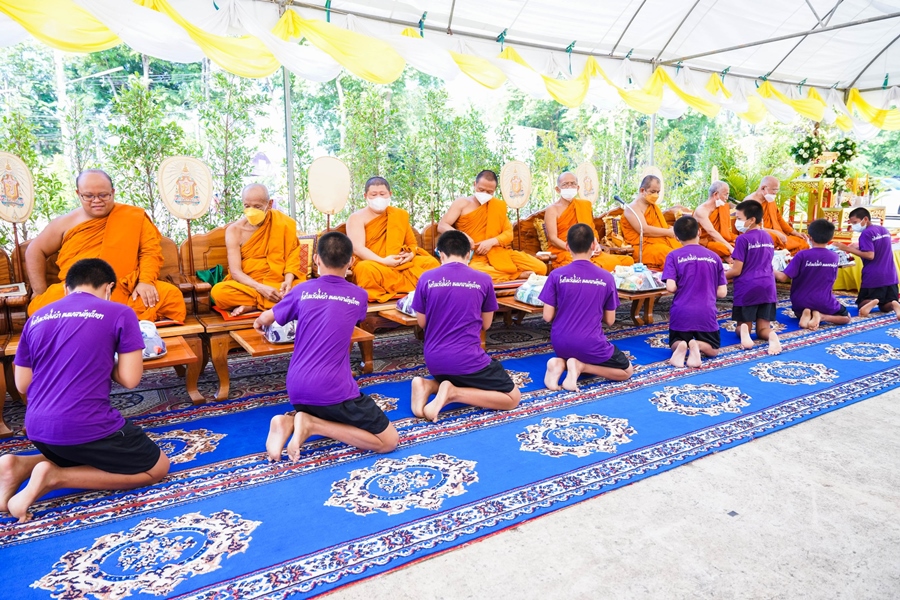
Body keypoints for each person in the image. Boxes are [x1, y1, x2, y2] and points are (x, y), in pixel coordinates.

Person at [1, 258, 170, 522]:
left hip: (38, 430)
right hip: (85, 427)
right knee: (157, 468)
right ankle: (55, 477)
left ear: (66, 289)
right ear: (109, 287)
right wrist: (105, 357)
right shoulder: (120, 312)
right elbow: (130, 379)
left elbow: (22, 384)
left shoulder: (36, 318)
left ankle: (18, 466)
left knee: (81, 454)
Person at [258, 231, 398, 461]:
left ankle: (288, 422)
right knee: (388, 442)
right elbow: (350, 316)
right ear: (351, 261)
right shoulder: (359, 296)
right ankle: (311, 424)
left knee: (331, 412)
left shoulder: (302, 290)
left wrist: (258, 323)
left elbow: (266, 318)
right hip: (333, 389)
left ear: (316, 259)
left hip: (296, 388)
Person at [26, 170, 186, 322]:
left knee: (171, 296)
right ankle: (123, 320)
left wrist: (145, 282)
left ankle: (105, 322)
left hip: (124, 288)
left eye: (103, 195)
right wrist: (39, 291)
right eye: (88, 196)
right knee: (40, 308)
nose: (96, 201)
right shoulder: (64, 223)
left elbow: (149, 252)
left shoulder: (134, 216)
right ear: (78, 194)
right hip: (77, 291)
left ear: (113, 192)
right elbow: (34, 250)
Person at [410, 231, 521, 422]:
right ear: (469, 253)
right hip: (468, 360)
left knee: (463, 376)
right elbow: (486, 324)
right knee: (512, 398)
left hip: (434, 361)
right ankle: (453, 393)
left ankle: (428, 385)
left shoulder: (426, 278)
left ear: (440, 254)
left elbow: (422, 323)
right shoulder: (483, 279)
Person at [540, 223, 634, 390]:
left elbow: (547, 317)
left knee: (574, 351)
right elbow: (610, 321)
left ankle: (560, 363)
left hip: (560, 343)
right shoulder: (606, 277)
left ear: (567, 246)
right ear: (593, 245)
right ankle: (581, 366)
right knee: (626, 371)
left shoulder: (555, 275)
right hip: (590, 344)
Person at [211, 184, 304, 316]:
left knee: (305, 290)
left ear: (269, 204)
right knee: (219, 293)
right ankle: (276, 302)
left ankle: (253, 305)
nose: (251, 211)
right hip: (249, 285)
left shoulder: (283, 223)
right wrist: (261, 288)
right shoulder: (234, 231)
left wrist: (288, 282)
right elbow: (236, 272)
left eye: (257, 207)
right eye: (247, 206)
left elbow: (292, 258)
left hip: (279, 283)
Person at [438, 170, 547, 282]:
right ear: (474, 184)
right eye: (481, 190)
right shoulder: (462, 203)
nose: (484, 194)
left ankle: (505, 275)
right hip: (474, 255)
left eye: (489, 192)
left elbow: (508, 234)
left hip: (498, 252)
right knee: (474, 272)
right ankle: (516, 275)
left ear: (494, 190)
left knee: (541, 268)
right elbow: (442, 225)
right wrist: (463, 236)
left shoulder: (498, 206)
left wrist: (491, 242)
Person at [346, 177, 439, 303]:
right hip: (374, 263)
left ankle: (408, 291)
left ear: (390, 194)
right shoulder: (356, 218)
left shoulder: (400, 215)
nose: (378, 198)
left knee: (430, 263)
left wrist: (410, 254)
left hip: (399, 262)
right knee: (364, 269)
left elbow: (412, 243)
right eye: (373, 194)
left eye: (382, 194)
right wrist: (384, 261)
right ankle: (411, 290)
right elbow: (358, 248)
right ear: (365, 196)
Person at [663, 216, 728, 368]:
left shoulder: (673, 256)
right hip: (706, 312)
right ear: (699, 232)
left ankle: (682, 345)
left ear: (676, 237)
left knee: (674, 343)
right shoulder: (714, 257)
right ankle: (697, 345)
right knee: (713, 349)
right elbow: (722, 293)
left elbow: (670, 287)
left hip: (681, 312)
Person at [544, 171, 633, 272]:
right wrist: (574, 249)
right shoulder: (552, 210)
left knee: (628, 261)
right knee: (582, 267)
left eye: (573, 184)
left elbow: (590, 231)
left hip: (587, 250)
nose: (569, 187)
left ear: (578, 188)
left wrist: (596, 245)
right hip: (565, 251)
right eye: (565, 184)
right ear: (557, 189)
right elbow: (553, 239)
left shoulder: (584, 205)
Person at [726, 200, 781, 354]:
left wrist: (719, 276)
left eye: (739, 218)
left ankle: (744, 330)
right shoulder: (768, 237)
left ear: (751, 220)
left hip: (748, 287)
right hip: (768, 286)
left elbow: (736, 270)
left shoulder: (743, 239)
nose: (736, 222)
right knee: (763, 328)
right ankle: (772, 336)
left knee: (743, 325)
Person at [775, 219, 852, 329]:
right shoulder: (834, 257)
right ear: (830, 238)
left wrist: (768, 268)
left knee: (800, 311)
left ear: (810, 237)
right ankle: (822, 316)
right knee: (846, 318)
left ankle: (806, 314)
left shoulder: (802, 255)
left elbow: (783, 278)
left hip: (800, 302)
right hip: (824, 301)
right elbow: (832, 280)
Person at [836, 207, 900, 319]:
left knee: (861, 303)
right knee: (885, 306)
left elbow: (870, 255)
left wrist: (846, 248)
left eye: (855, 222)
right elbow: (878, 247)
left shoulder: (866, 233)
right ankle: (895, 304)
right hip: (890, 274)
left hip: (874, 275)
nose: (854, 226)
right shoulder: (883, 230)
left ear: (865, 219)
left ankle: (872, 301)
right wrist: (858, 247)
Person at [620, 175, 682, 269]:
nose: (656, 195)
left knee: (683, 250)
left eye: (658, 192)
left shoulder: (652, 206)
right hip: (641, 247)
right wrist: (668, 232)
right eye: (653, 192)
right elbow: (644, 230)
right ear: (642, 190)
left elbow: (660, 225)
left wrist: (671, 229)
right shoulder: (632, 208)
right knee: (668, 254)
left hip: (660, 241)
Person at [745, 176, 809, 255]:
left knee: (802, 242)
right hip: (760, 233)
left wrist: (794, 232)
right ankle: (779, 251)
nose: (775, 193)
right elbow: (749, 226)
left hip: (777, 233)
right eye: (774, 190)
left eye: (777, 190)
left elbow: (778, 218)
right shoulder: (750, 202)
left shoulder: (769, 199)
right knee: (774, 238)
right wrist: (775, 232)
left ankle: (780, 251)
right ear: (763, 188)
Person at [693, 180, 735, 263]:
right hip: (705, 242)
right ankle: (726, 255)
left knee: (742, 242)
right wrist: (730, 247)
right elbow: (711, 232)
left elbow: (726, 231)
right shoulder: (702, 210)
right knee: (724, 248)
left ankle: (726, 256)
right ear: (716, 194)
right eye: (725, 194)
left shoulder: (721, 207)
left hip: (721, 238)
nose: (727, 198)